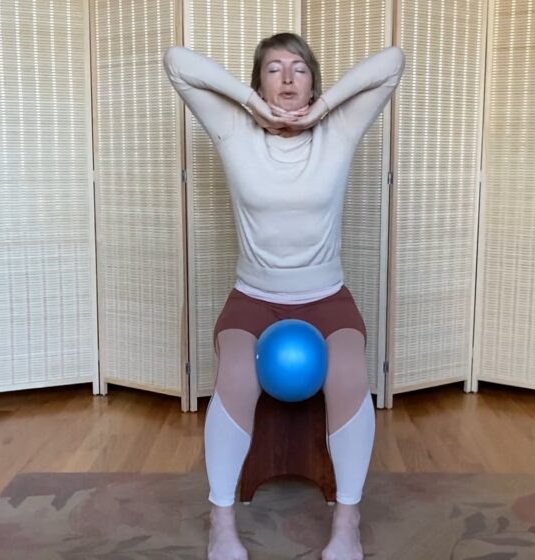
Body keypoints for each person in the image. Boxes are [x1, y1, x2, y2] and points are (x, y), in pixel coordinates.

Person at [163, 32, 404, 560]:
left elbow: (392, 63)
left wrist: (323, 109)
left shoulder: (338, 131)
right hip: (253, 298)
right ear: (258, 83)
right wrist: (252, 107)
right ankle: (220, 521)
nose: (289, 79)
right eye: (274, 69)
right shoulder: (233, 131)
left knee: (348, 374)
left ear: (314, 81)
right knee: (234, 376)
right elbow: (177, 62)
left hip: (327, 297)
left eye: (299, 68)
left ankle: (348, 521)